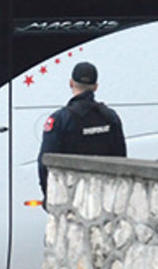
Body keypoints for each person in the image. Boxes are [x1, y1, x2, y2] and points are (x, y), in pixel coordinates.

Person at [37, 61, 126, 204]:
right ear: (96, 87)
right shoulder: (111, 117)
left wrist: (49, 196)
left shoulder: (60, 119)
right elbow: (121, 159)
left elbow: (44, 163)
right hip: (104, 198)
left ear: (71, 83)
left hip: (71, 197)